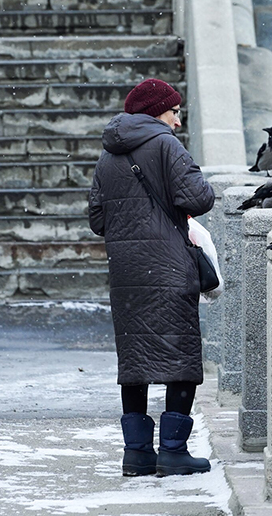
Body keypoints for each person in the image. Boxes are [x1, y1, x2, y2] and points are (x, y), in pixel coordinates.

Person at [87, 78, 216, 478]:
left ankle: (137, 453)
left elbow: (97, 219)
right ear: (158, 111)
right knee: (181, 357)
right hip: (169, 267)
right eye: (175, 112)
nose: (177, 122)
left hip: (127, 274)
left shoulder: (108, 155)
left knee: (136, 361)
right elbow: (200, 198)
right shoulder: (166, 145)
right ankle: (174, 451)